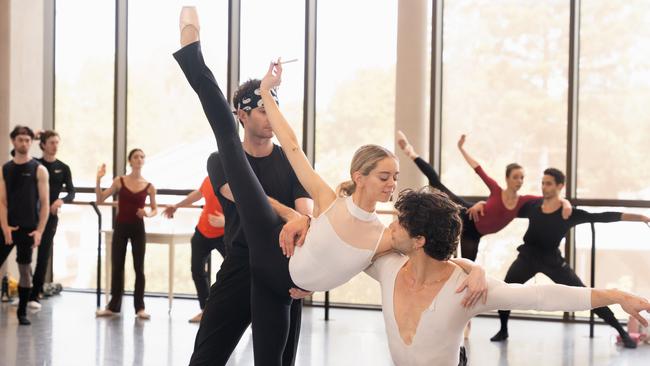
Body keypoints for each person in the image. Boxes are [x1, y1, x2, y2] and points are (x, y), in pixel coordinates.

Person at [174, 8, 485, 364]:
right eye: (386, 177)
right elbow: (270, 180)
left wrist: (475, 268)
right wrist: (300, 219)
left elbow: (418, 252)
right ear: (243, 115)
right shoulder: (233, 166)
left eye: (394, 179)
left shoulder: (371, 229)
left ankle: (192, 52)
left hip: (285, 270)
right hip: (244, 260)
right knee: (207, 356)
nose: (391, 186)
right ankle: (191, 52)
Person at [366, 188, 650, 366]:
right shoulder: (387, 267)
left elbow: (542, 296)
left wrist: (617, 295)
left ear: (419, 240)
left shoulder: (466, 289)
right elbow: (344, 249)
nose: (391, 224)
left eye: (400, 222)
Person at [490, 168, 650, 347]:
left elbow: (602, 216)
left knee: (588, 294)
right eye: (542, 183)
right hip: (528, 257)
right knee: (506, 291)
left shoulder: (569, 213)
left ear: (560, 186)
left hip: (553, 261)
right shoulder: (532, 206)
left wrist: (640, 217)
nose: (544, 187)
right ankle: (503, 330)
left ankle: (622, 333)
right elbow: (504, 209)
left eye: (548, 183)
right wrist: (482, 206)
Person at [397, 131, 572, 261]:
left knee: (467, 265)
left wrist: (566, 203)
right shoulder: (496, 189)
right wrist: (461, 148)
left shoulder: (523, 201)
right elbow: (477, 168)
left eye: (522, 178)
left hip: (474, 233)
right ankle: (411, 152)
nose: (519, 181)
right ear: (507, 178)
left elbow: (549, 198)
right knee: (437, 185)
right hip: (467, 213)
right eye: (515, 177)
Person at [94, 148, 157, 319]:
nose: (139, 159)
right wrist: (98, 180)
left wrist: (147, 213)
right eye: (136, 157)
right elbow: (101, 199)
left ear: (144, 161)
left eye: (142, 157)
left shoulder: (149, 186)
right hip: (121, 227)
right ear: (130, 161)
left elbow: (154, 210)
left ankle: (140, 308)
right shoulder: (119, 181)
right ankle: (113, 306)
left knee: (139, 268)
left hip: (138, 229)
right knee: (117, 265)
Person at [0, 125, 50, 325]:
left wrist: (39, 230)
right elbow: (2, 201)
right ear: (13, 141)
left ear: (31, 142)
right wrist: (4, 226)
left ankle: (22, 312)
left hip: (29, 228)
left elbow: (45, 203)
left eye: (28, 140)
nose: (24, 143)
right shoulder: (6, 168)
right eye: (20, 139)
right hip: (8, 227)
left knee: (24, 270)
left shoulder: (39, 169)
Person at [163, 175, 226, 323]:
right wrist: (176, 205)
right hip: (202, 232)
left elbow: (246, 208)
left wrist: (226, 221)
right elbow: (198, 194)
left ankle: (239, 313)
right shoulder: (210, 177)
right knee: (197, 270)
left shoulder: (236, 178)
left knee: (234, 274)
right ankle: (206, 310)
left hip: (225, 234)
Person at [28, 130, 75, 309]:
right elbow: (14, 153)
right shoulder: (35, 164)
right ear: (43, 145)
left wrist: (60, 200)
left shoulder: (63, 167)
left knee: (43, 256)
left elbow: (72, 192)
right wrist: (33, 136)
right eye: (52, 142)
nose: (55, 146)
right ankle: (25, 289)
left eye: (57, 142)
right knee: (25, 253)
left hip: (50, 217)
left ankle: (35, 295)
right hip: (30, 215)